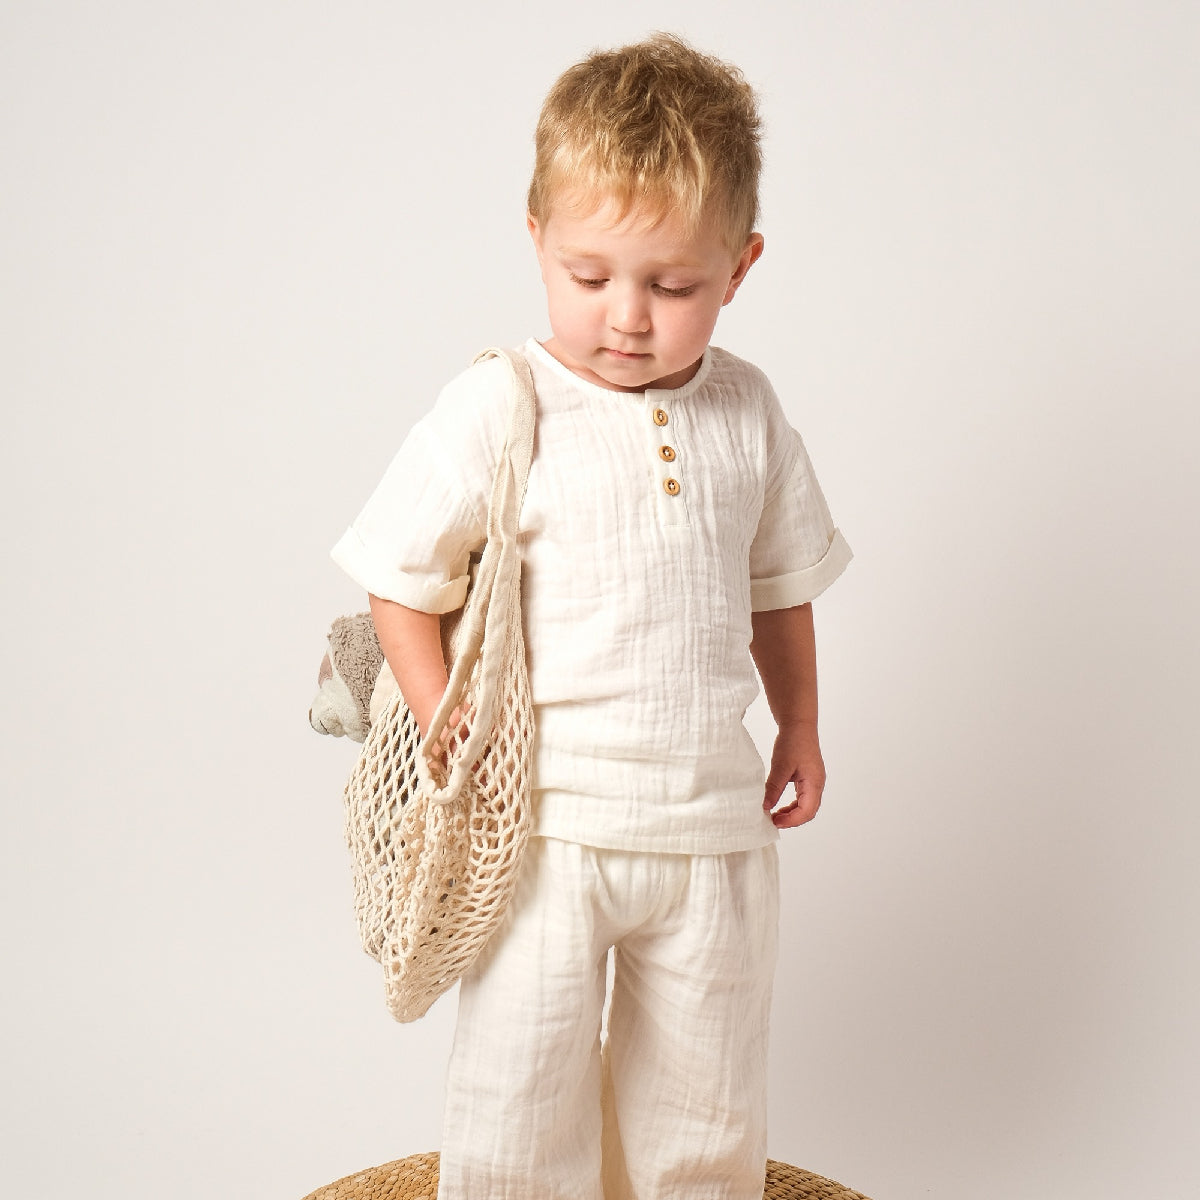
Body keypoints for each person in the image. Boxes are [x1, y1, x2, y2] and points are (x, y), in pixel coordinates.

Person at [331, 32, 853, 1200]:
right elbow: (397, 578)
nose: (627, 315)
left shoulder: (748, 412)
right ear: (535, 242)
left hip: (712, 829)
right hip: (543, 830)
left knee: (706, 1105)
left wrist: (802, 731)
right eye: (588, 274)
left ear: (741, 265)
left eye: (674, 287)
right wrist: (439, 714)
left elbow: (779, 591)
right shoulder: (499, 404)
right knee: (519, 1096)